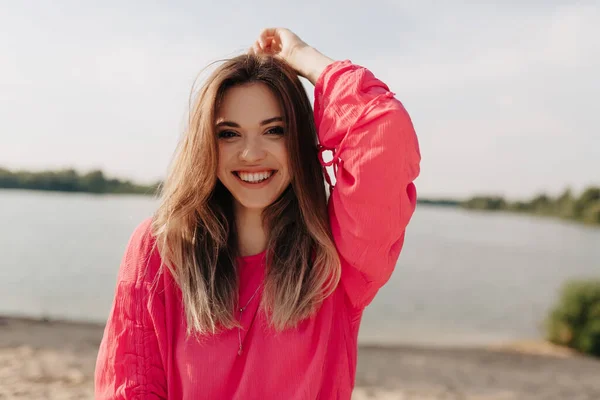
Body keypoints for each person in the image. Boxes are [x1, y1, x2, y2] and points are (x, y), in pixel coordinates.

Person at [94, 27, 421, 399]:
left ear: (298, 139)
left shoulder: (337, 258)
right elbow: (130, 388)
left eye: (274, 131)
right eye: (229, 134)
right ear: (206, 144)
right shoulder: (160, 249)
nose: (251, 154)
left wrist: (304, 58)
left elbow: (383, 133)